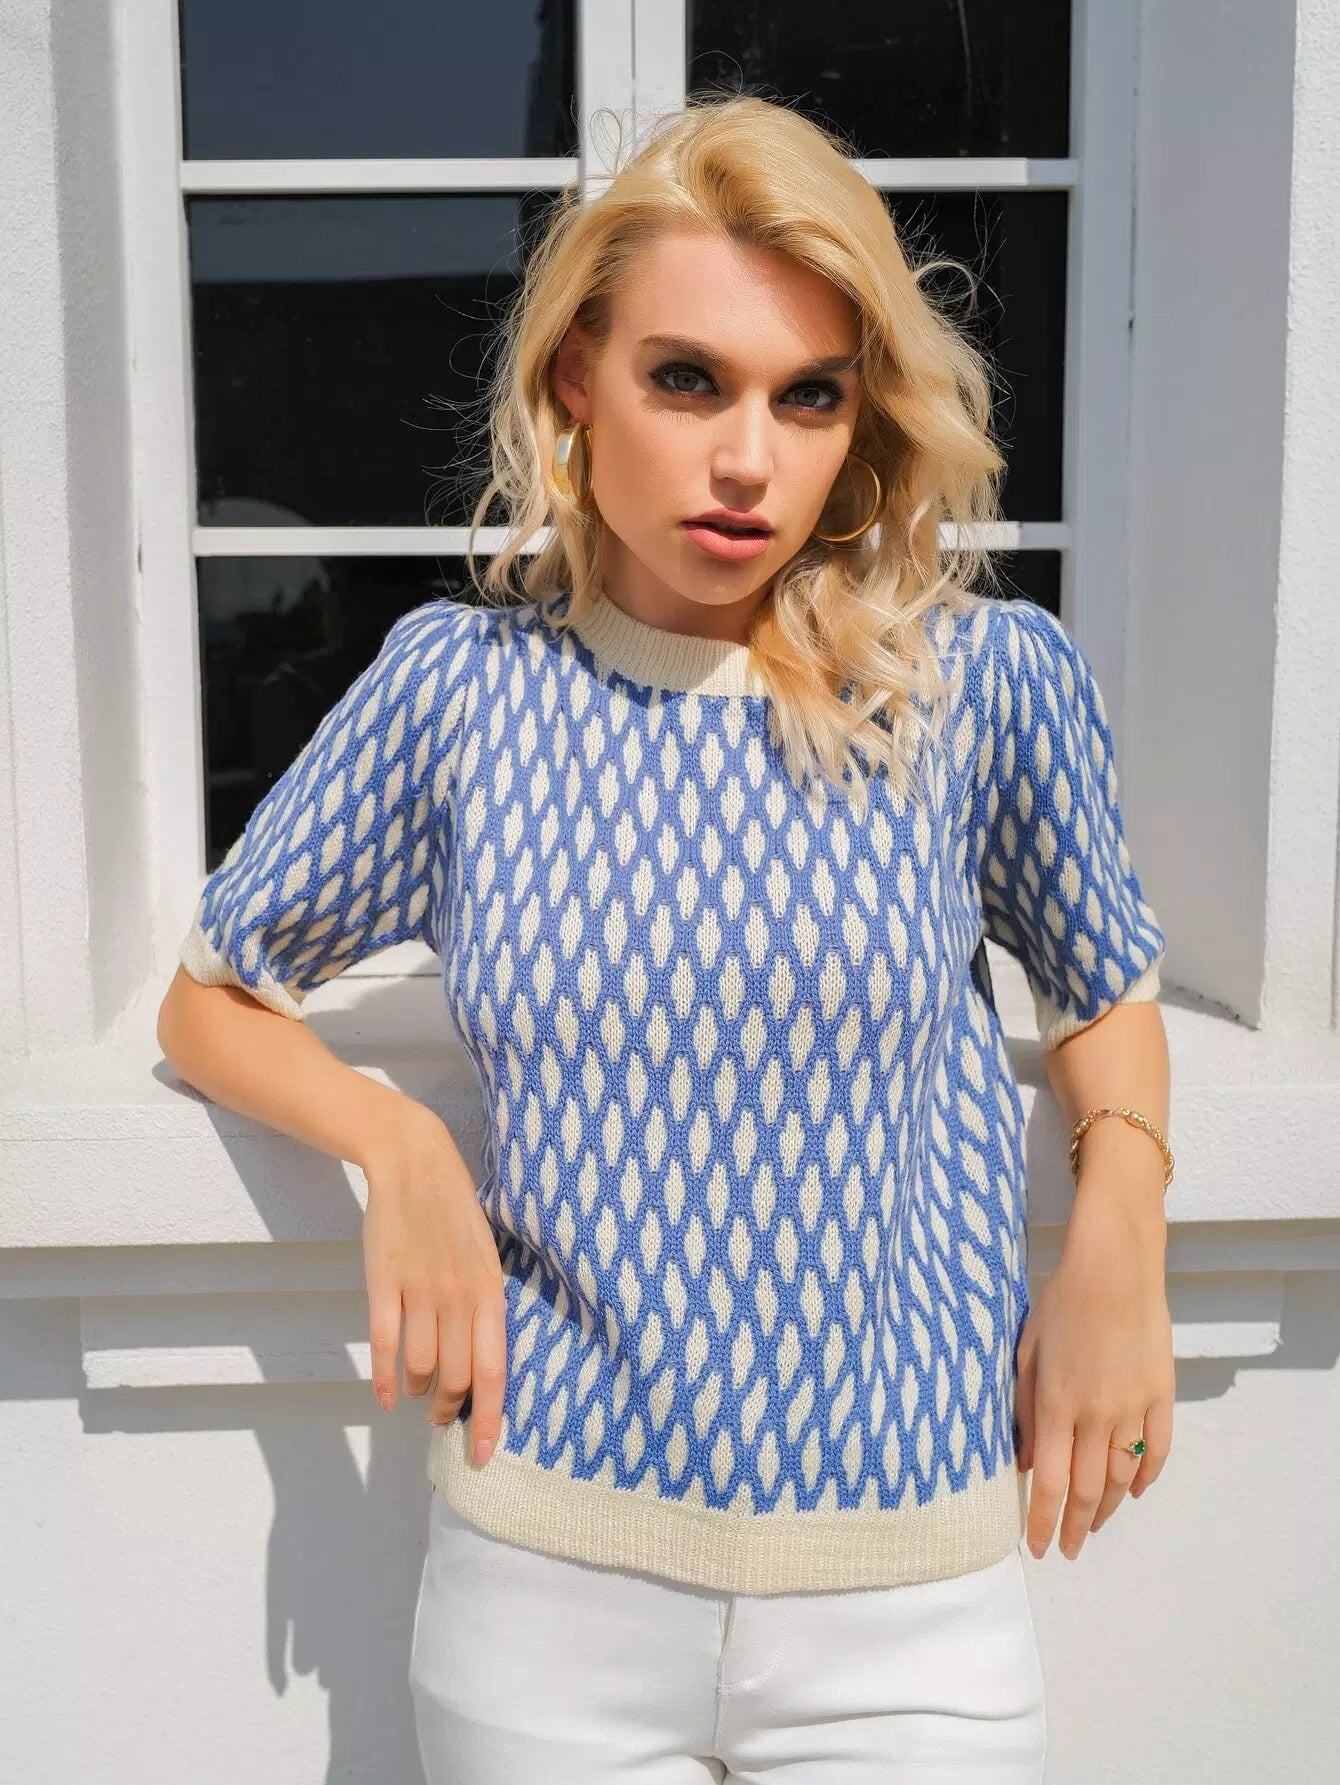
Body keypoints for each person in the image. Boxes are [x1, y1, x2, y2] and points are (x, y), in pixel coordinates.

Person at [158, 93, 1175, 1785]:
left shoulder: (977, 685)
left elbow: (1104, 985)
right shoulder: (462, 694)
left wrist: (1121, 1225)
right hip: (543, 1601)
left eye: (808, 395)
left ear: (861, 417)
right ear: (578, 377)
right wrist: (395, 1141)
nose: (747, 458)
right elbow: (211, 997)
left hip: (913, 1607)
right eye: (687, 378)